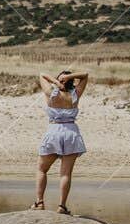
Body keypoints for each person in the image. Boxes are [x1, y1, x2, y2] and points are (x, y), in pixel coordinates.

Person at [32, 69, 89, 214]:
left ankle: (39, 202)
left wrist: (57, 82)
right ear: (71, 82)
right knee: (65, 174)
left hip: (54, 131)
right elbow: (85, 75)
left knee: (41, 169)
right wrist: (68, 77)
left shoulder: (51, 92)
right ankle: (62, 206)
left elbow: (42, 74)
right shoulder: (75, 94)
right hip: (71, 132)